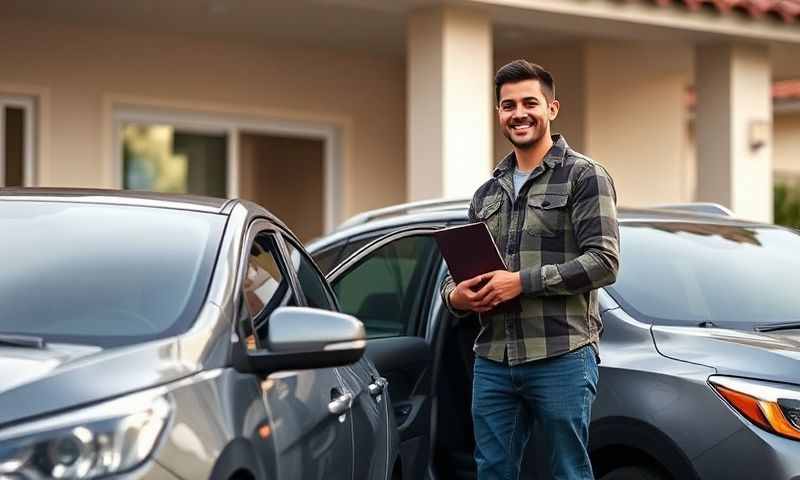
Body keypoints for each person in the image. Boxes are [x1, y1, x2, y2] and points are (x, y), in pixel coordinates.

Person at [440, 59, 620, 480]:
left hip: (561, 355)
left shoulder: (584, 176)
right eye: (507, 105)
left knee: (568, 472)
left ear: (552, 109)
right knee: (492, 471)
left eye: (529, 102)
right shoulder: (487, 191)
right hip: (493, 359)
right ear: (499, 114)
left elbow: (604, 262)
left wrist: (520, 283)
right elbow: (455, 274)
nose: (518, 113)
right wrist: (456, 296)